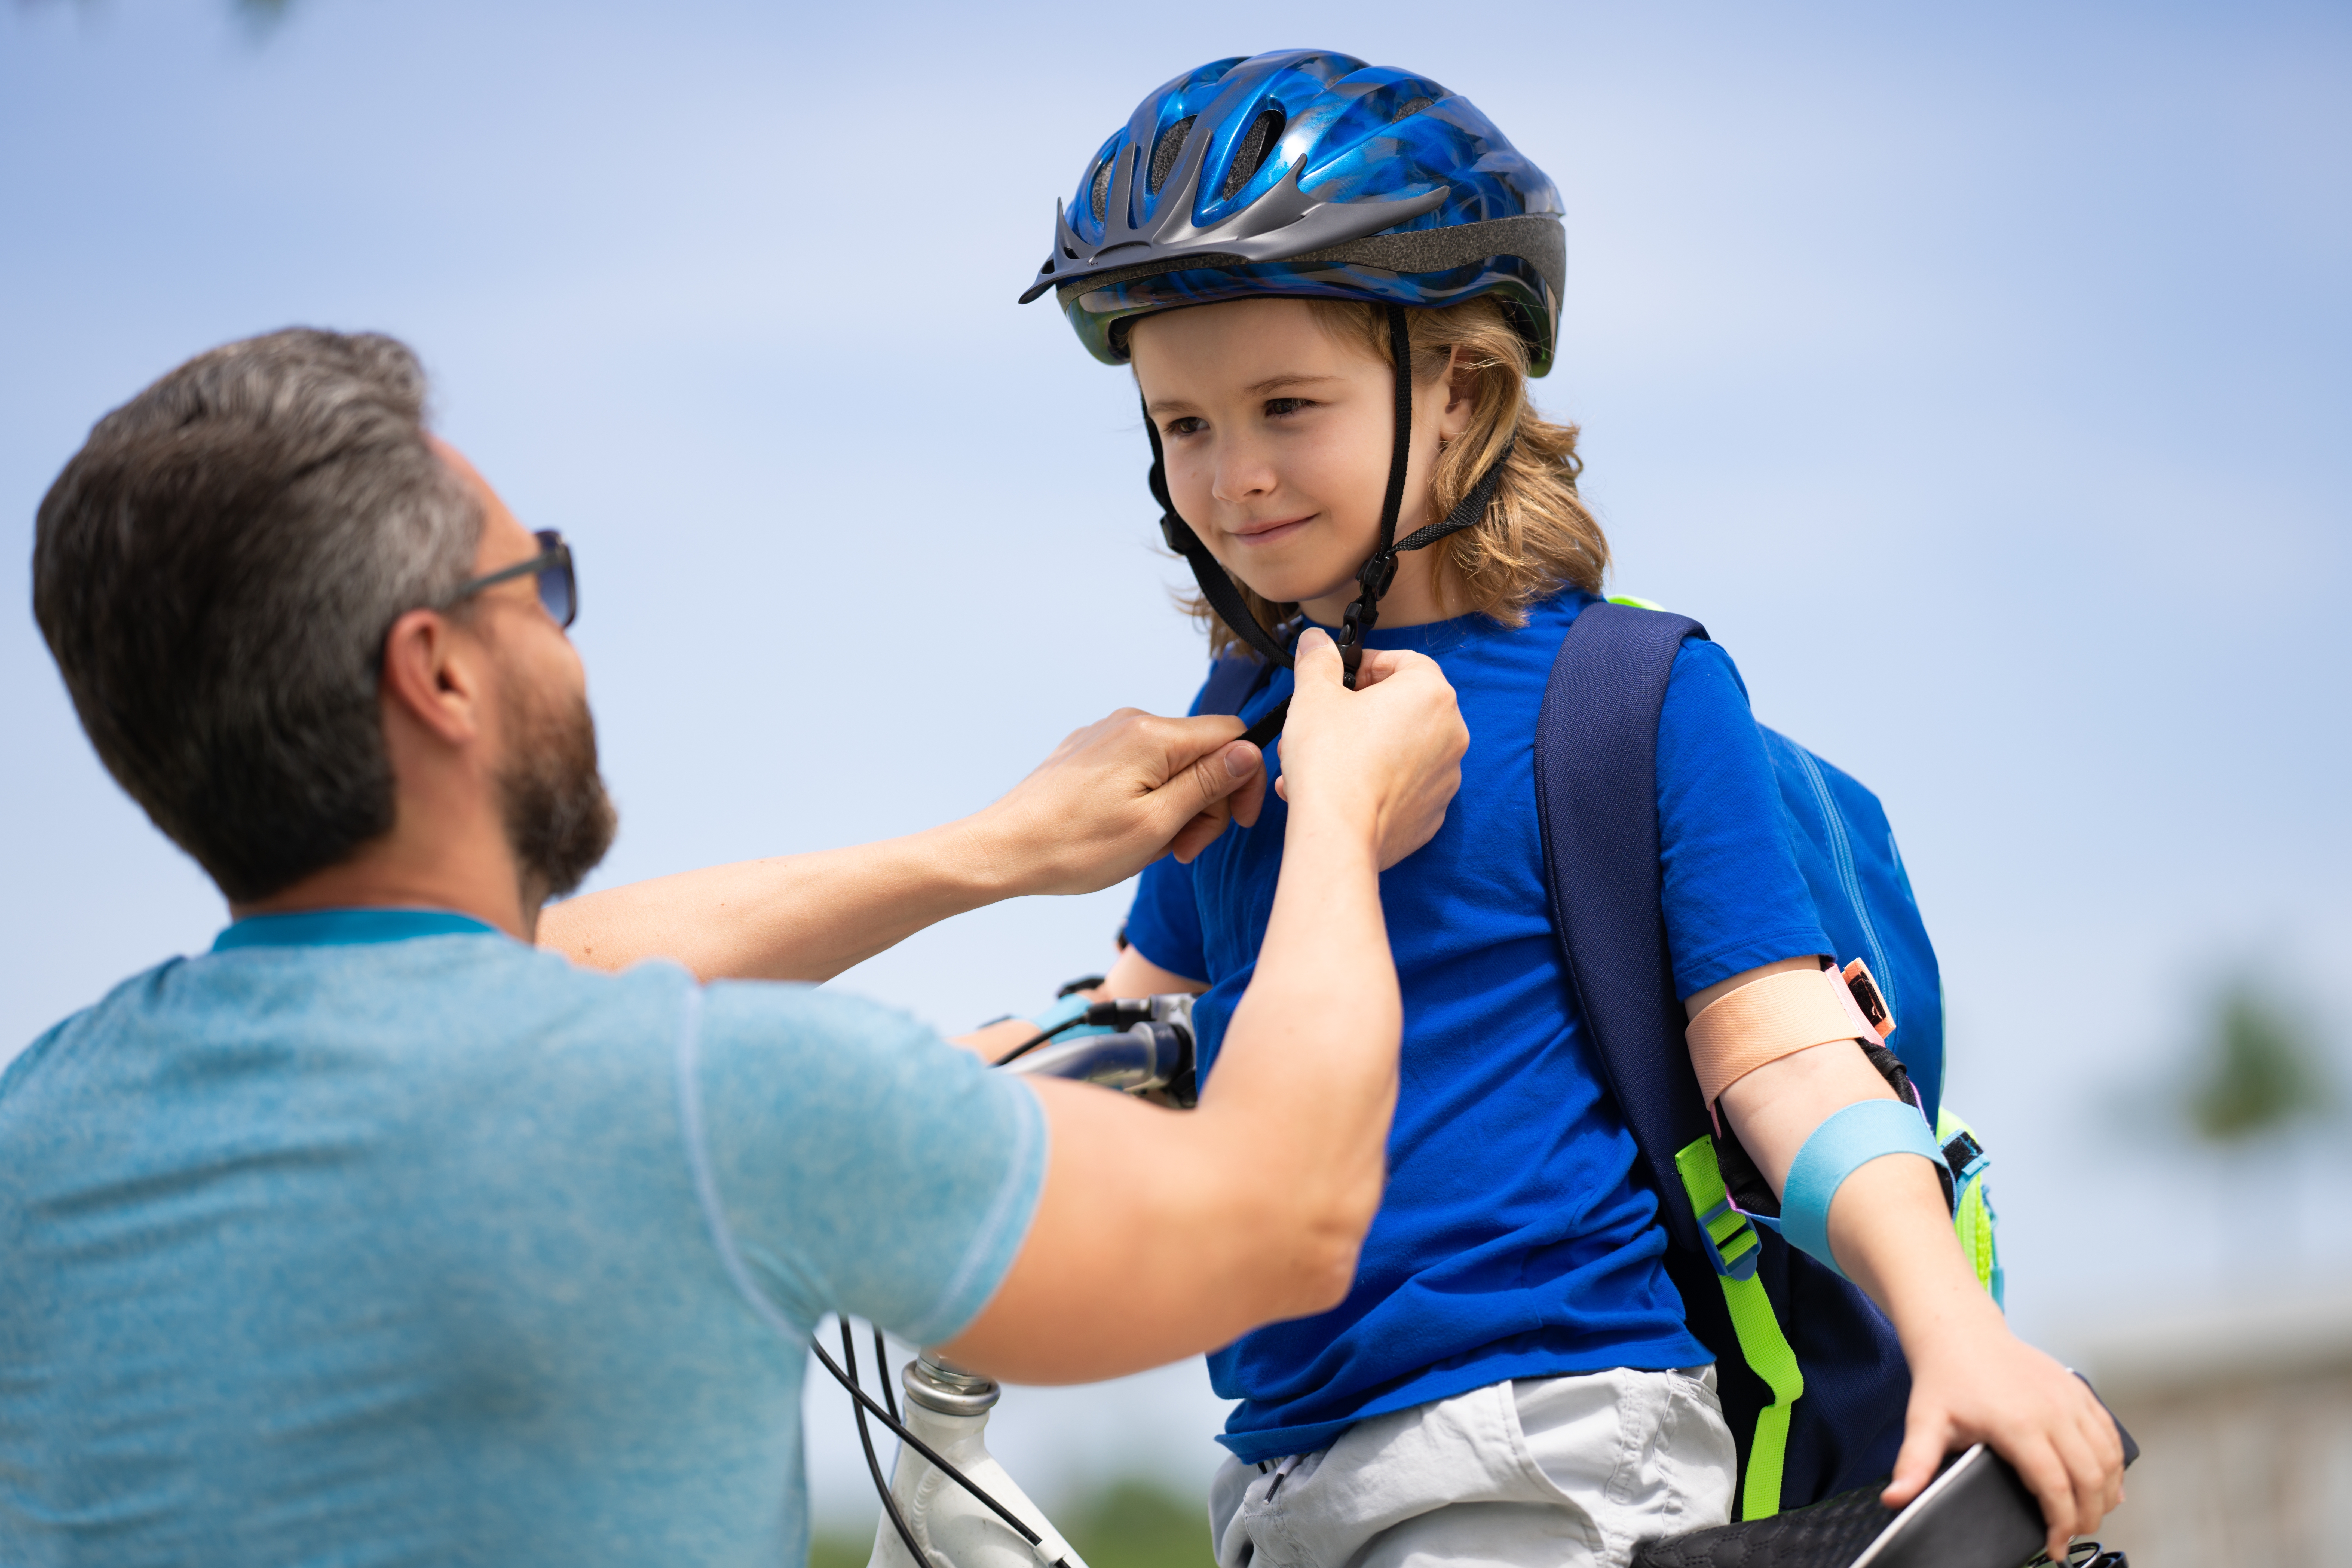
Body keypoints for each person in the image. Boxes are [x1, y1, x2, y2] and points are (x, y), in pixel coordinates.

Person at [0, 327, 1468, 1567]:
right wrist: (1338, 819)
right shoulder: (714, 1104)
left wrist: (985, 854)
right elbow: (1285, 1219)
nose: (571, 637)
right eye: (543, 584)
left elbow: (513, 976)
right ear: (439, 674)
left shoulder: (41, 1128)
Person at [981, 48, 2126, 1568]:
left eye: (1284, 405)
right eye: (1185, 426)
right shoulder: (1237, 730)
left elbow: (1786, 1057)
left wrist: (1953, 1329)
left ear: (1460, 389)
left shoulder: (1628, 693)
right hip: (1279, 1471)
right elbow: (1145, 1048)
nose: (1233, 476)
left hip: (1539, 1438)